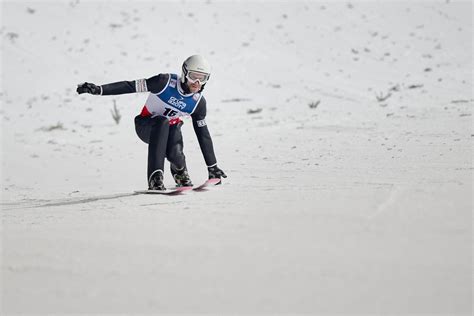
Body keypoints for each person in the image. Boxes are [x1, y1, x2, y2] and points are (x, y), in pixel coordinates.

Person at [76, 54, 226, 190]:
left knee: (176, 154)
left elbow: (203, 135)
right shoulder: (163, 82)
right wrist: (98, 89)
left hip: (172, 128)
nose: (197, 82)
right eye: (194, 76)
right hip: (146, 126)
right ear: (185, 73)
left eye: (203, 78)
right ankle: (155, 178)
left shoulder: (198, 103)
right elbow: (130, 86)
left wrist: (212, 167)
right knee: (161, 121)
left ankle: (180, 171)